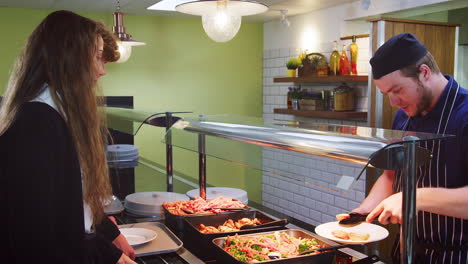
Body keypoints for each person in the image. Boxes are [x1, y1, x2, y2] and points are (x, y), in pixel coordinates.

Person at [0, 10, 136, 263]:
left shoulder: (56, 114)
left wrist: (110, 233)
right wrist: (107, 255)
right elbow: (37, 236)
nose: (102, 71)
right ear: (69, 59)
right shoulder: (36, 123)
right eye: (97, 58)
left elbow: (73, 199)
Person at [353, 33, 468, 263]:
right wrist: (361, 215)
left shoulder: (464, 115)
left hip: (456, 254)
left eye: (397, 90)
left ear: (424, 72)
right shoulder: (402, 118)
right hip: (406, 250)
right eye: (386, 95)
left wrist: (414, 197)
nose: (393, 102)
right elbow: (390, 176)